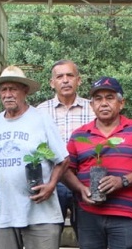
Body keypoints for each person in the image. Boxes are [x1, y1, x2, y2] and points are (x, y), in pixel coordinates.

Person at [0, 66, 69, 249]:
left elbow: (63, 159)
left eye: (13, 89)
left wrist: (51, 186)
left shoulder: (41, 119)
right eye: (3, 89)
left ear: (25, 91)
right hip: (6, 212)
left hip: (41, 211)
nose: (7, 94)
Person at [64, 77, 132, 249]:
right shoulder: (80, 134)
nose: (103, 103)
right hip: (88, 212)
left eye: (110, 98)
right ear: (91, 105)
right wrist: (81, 189)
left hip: (123, 214)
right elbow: (66, 170)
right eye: (97, 99)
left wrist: (121, 181)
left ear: (121, 103)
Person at [37, 60, 95, 231]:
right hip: (54, 183)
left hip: (86, 180)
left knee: (89, 238)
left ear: (79, 80)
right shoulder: (40, 112)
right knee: (49, 236)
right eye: (59, 76)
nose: (65, 80)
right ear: (52, 83)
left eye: (70, 75)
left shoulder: (93, 109)